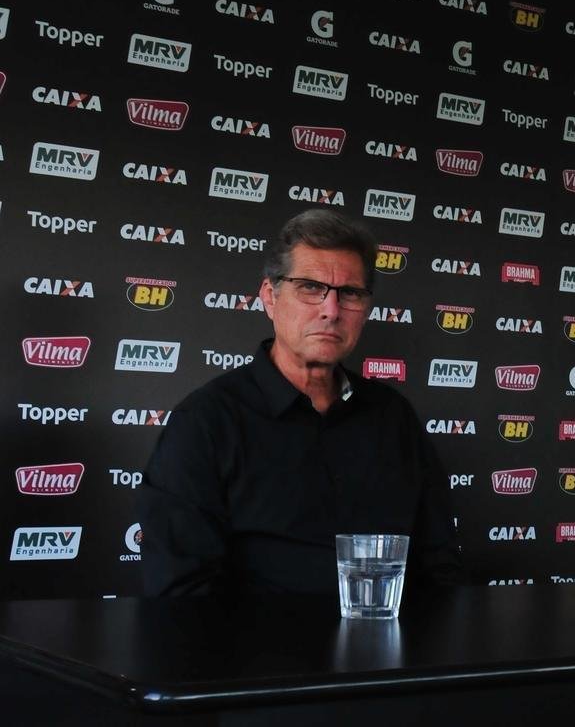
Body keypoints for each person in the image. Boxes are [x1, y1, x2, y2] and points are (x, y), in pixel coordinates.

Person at [137, 209, 464, 595]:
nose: (331, 310)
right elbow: (181, 592)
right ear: (270, 298)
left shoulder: (394, 418)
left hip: (390, 652)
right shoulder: (206, 423)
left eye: (350, 293)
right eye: (310, 287)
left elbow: (439, 565)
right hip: (250, 654)